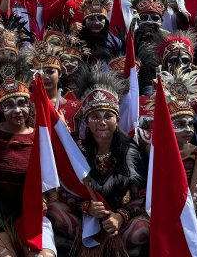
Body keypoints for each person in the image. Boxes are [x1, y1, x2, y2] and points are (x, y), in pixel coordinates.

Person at [49, 67, 149, 255]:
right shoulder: (75, 149)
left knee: (141, 230)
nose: (102, 122)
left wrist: (120, 216)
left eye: (108, 116)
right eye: (95, 116)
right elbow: (63, 191)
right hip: (86, 218)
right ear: (86, 121)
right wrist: (85, 207)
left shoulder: (131, 151)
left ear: (117, 119)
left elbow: (142, 197)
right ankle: (85, 244)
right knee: (54, 211)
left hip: (120, 218)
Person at [0, 63, 56, 257]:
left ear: (30, 106)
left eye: (22, 103)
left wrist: (44, 199)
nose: (17, 110)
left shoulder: (40, 135)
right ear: (1, 109)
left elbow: (50, 177)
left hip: (31, 210)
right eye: (9, 105)